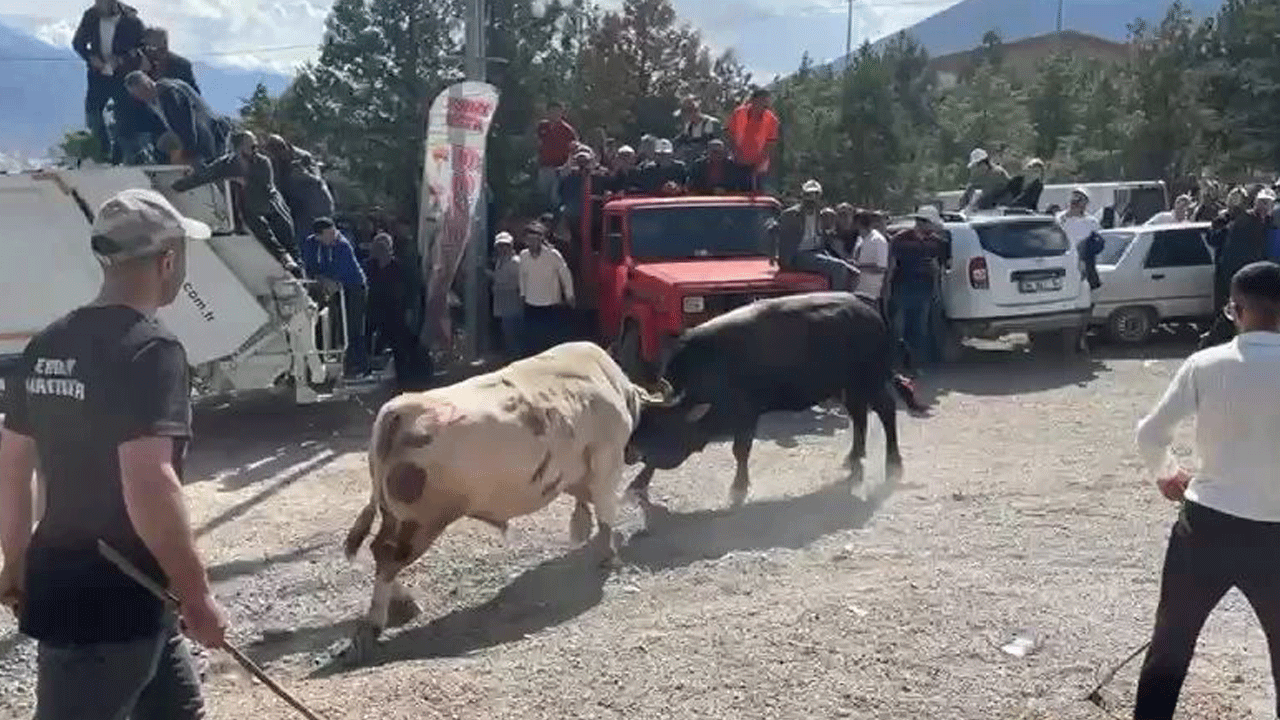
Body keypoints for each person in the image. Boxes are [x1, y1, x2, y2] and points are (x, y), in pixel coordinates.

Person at [0, 188, 227, 720]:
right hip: (113, 602)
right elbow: (150, 482)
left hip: (97, 591)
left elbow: (11, 464)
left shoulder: (47, 344)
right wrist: (197, 595)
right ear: (167, 260)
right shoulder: (151, 349)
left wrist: (16, 559)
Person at [1133, 260, 1280, 720]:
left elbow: (1150, 433)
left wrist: (1167, 473)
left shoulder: (1206, 364)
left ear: (1237, 310)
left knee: (1171, 644)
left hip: (1207, 526)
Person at [172, 130, 300, 274]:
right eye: (251, 145)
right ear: (239, 147)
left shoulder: (263, 162)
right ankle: (285, 258)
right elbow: (203, 177)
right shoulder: (226, 164)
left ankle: (293, 264)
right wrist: (176, 187)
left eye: (256, 145)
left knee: (286, 234)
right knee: (257, 224)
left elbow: (265, 186)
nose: (256, 149)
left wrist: (243, 181)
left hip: (270, 203)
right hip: (247, 208)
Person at [72, 0, 146, 162]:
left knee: (124, 114)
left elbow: (142, 47)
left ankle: (127, 156)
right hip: (98, 74)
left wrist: (120, 60)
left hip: (123, 76)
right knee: (93, 112)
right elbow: (78, 43)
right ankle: (102, 151)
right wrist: (91, 57)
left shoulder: (132, 21)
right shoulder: (91, 16)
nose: (98, 6)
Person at [1201, 188, 1274, 349]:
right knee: (1231, 310)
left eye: (1268, 203)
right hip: (1234, 273)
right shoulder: (1238, 221)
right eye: (1262, 202)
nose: (1265, 206)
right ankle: (1212, 341)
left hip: (1250, 274)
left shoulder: (1266, 222)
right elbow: (1218, 242)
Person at [302, 218, 369, 378]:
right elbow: (309, 266)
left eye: (334, 232)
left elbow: (341, 273)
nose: (334, 236)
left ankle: (359, 365)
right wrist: (318, 279)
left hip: (353, 287)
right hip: (326, 286)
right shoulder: (311, 244)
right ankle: (322, 361)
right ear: (318, 236)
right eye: (329, 234)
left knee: (353, 327)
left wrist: (327, 281)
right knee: (326, 324)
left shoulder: (342, 245)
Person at [123, 71, 225, 166]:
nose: (142, 97)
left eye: (142, 92)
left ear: (149, 84)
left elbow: (186, 127)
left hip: (205, 135)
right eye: (138, 95)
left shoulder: (169, 94)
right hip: (190, 135)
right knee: (162, 143)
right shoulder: (152, 99)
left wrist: (187, 153)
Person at [773, 180, 859, 293]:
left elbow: (822, 240)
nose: (811, 199)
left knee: (853, 271)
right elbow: (775, 231)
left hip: (816, 252)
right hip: (798, 255)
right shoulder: (791, 214)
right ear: (803, 196)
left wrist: (842, 258)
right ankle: (836, 299)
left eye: (815, 195)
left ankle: (848, 296)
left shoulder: (819, 215)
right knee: (838, 268)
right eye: (808, 195)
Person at [890, 206, 948, 369]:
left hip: (924, 289)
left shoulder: (935, 242)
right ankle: (899, 363)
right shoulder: (900, 239)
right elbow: (893, 264)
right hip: (903, 287)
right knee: (900, 327)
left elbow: (941, 264)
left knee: (919, 328)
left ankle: (915, 363)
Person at [362, 233, 419, 387]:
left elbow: (412, 289)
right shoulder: (367, 267)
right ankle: (365, 372)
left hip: (395, 312)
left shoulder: (400, 267)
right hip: (372, 311)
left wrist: (409, 309)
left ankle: (404, 380)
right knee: (366, 342)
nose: (380, 250)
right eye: (377, 246)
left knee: (399, 346)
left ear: (390, 248)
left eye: (383, 247)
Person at [262, 135, 337, 249]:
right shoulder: (275, 162)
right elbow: (276, 184)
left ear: (286, 146)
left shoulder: (304, 157)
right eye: (275, 153)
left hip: (317, 206)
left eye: (280, 150)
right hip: (297, 209)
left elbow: (317, 180)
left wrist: (302, 173)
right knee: (303, 242)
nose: (280, 156)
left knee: (321, 241)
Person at [517, 222, 574, 357]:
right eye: (529, 240)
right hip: (531, 303)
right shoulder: (523, 255)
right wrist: (522, 294)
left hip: (550, 303)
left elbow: (565, 274)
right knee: (532, 340)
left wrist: (569, 295)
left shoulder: (553, 255)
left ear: (540, 240)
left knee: (550, 340)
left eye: (535, 239)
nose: (532, 243)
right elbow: (522, 276)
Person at [726, 88, 781, 193]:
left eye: (765, 100)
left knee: (756, 193)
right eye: (760, 100)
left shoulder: (772, 119)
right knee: (735, 192)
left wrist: (758, 161)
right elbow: (729, 134)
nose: (763, 103)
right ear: (753, 100)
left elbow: (771, 143)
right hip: (737, 160)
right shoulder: (738, 113)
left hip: (759, 164)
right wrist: (736, 153)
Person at [536, 101, 578, 215]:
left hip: (559, 168)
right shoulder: (542, 126)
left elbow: (574, 150)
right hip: (544, 166)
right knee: (542, 194)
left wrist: (567, 167)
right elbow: (537, 143)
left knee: (555, 197)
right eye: (552, 111)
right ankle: (541, 218)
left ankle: (555, 218)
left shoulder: (567, 130)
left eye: (557, 111)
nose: (554, 114)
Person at [490, 232, 523, 361]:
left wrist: (491, 276)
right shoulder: (500, 261)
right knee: (507, 333)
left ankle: (516, 358)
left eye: (505, 245)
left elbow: (517, 283)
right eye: (500, 245)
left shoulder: (515, 262)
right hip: (503, 302)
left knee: (513, 334)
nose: (502, 248)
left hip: (513, 301)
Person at [139, 27, 198, 93]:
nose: (150, 52)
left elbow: (193, 94)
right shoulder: (138, 62)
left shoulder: (181, 65)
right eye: (147, 47)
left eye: (154, 47)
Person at [852, 209, 891, 305]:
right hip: (857, 291)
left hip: (870, 294)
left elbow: (881, 268)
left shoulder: (878, 240)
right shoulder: (860, 239)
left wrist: (857, 268)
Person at [673, 95, 721, 164]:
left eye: (685, 112)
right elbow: (680, 140)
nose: (684, 116)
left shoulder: (711, 123)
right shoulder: (688, 126)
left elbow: (716, 146)